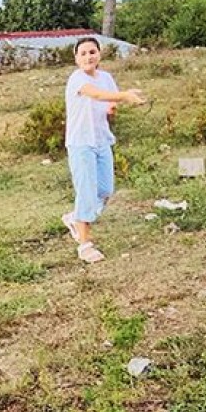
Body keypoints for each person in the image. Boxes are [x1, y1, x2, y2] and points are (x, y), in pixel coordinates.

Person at [60, 37, 146, 262]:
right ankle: (85, 244)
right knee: (86, 191)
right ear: (76, 58)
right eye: (84, 53)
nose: (89, 57)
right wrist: (125, 96)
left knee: (105, 190)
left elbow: (108, 102)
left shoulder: (106, 78)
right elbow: (96, 94)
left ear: (99, 54)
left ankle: (75, 217)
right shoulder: (77, 79)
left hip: (101, 141)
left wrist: (114, 106)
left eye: (92, 52)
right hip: (81, 143)